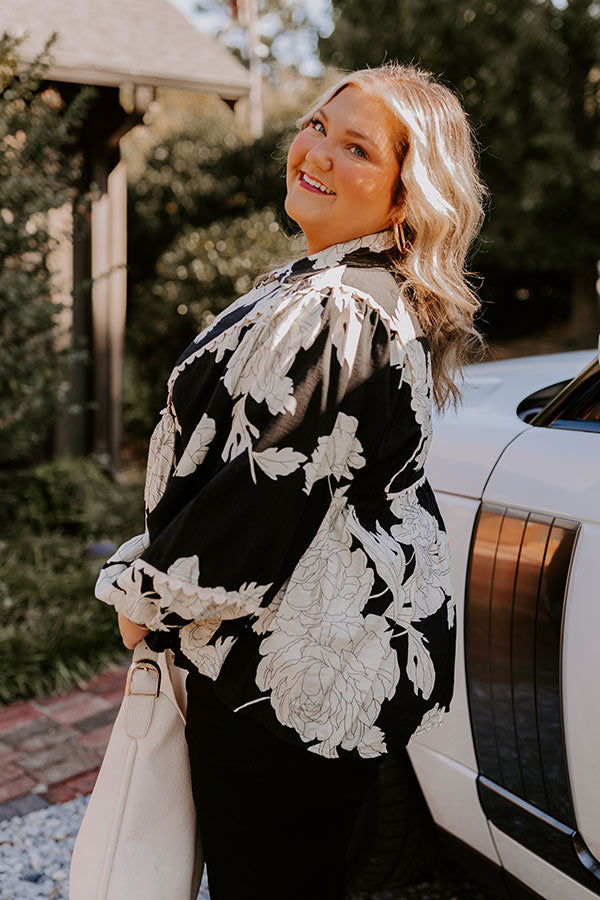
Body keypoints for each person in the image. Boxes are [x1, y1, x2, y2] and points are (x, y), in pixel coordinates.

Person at [96, 62, 487, 900]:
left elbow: (259, 505)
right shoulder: (347, 289)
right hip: (316, 675)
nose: (315, 151)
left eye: (356, 148)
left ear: (404, 195)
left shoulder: (337, 308)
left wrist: (143, 598)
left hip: (280, 689)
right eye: (316, 124)